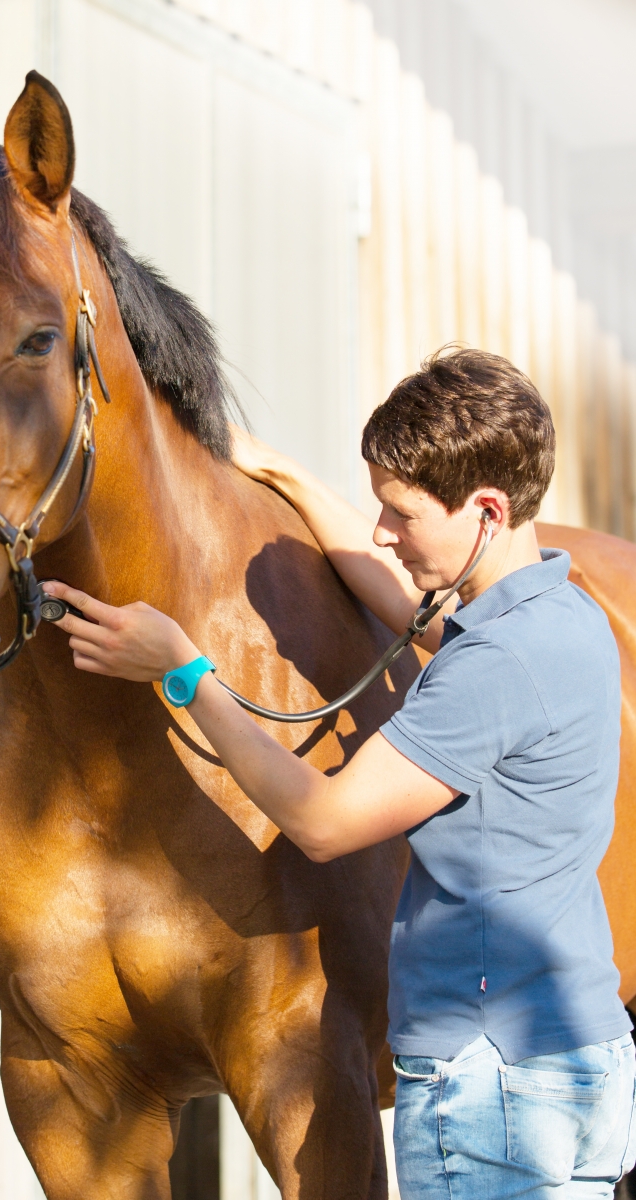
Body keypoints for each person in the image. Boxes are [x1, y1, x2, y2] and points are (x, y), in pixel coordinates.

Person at [45, 347, 636, 1199]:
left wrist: (183, 670)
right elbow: (400, 598)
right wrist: (282, 471)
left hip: (491, 1083)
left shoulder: (494, 668)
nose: (385, 535)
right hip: (572, 1055)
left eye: (401, 513)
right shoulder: (560, 611)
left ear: (486, 510)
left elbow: (320, 823)